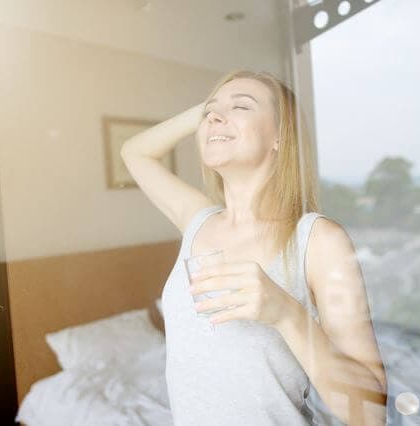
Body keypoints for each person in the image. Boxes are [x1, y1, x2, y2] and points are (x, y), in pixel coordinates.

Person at [120, 70, 387, 425]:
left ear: (280, 135)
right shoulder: (197, 221)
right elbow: (134, 152)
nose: (215, 116)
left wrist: (286, 314)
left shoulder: (319, 241)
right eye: (210, 112)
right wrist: (210, 112)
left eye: (242, 106)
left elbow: (370, 414)